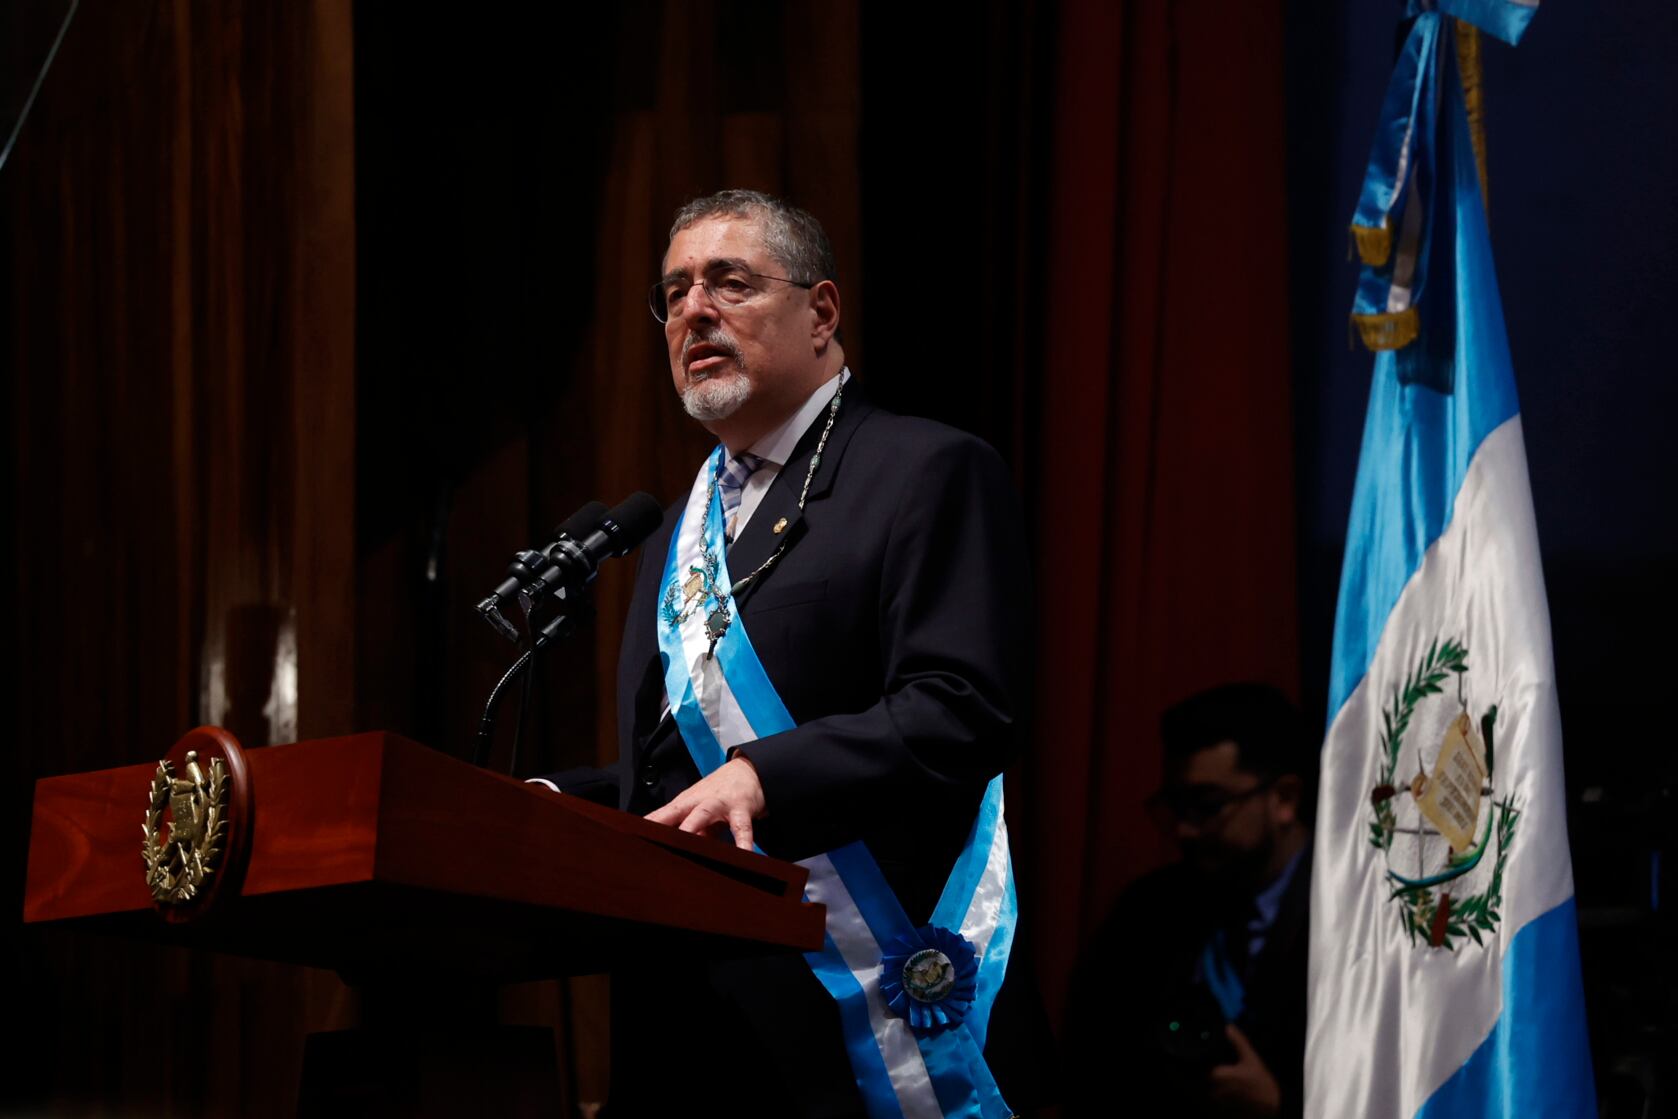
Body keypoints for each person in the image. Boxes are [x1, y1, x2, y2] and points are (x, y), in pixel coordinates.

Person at [601, 190, 1048, 1118]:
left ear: (822, 312)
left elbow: (961, 707)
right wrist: (558, 804)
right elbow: (677, 777)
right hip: (689, 1023)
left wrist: (765, 777)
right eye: (675, 291)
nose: (694, 310)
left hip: (854, 1016)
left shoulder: (925, 470)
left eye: (730, 282)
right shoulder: (670, 538)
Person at [1063, 683, 1314, 1118]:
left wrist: (1282, 1108)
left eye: (1207, 805)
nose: (1184, 831)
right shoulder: (1146, 912)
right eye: (1175, 806)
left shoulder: (1357, 918)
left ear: (1285, 798)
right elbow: (1089, 1067)